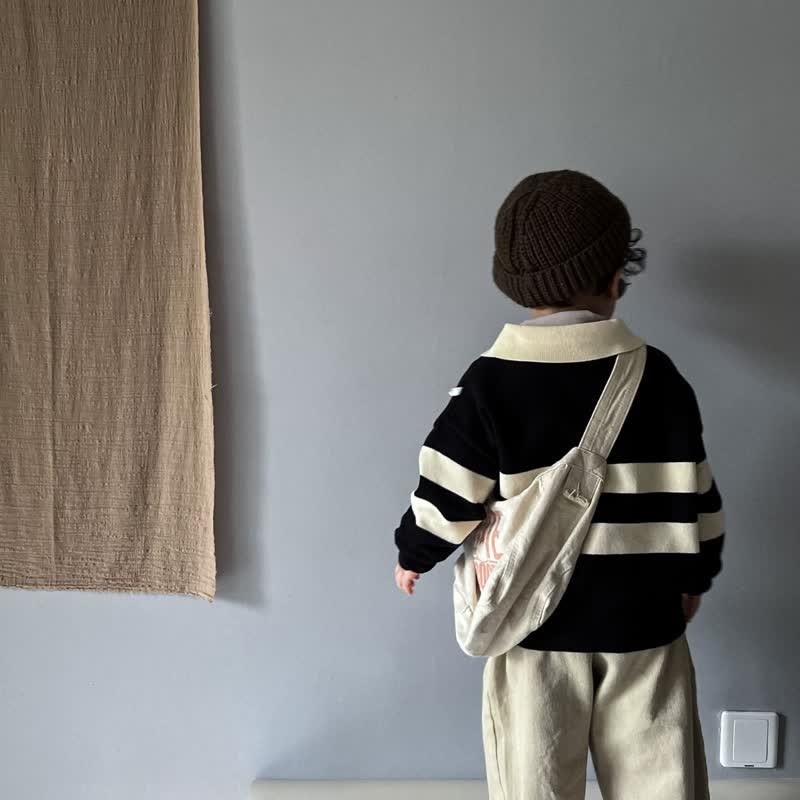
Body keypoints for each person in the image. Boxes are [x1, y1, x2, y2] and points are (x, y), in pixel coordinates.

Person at [392, 170, 725, 800]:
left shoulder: (490, 381)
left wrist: (414, 553)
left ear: (515, 283)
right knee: (661, 779)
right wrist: (694, 578)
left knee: (535, 779)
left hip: (534, 626)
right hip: (646, 623)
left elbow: (447, 491)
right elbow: (697, 496)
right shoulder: (660, 377)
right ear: (615, 277)